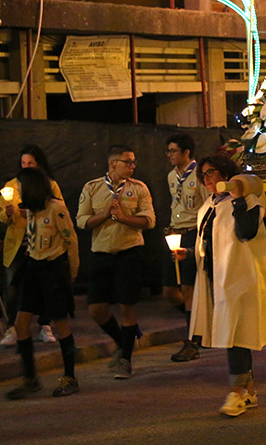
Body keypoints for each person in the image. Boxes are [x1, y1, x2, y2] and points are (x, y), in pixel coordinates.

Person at [177, 154, 266, 417]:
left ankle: (236, 393)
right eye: (203, 175)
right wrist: (189, 254)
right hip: (216, 278)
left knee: (235, 333)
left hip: (241, 277)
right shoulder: (208, 206)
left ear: (226, 173)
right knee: (235, 333)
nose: (207, 179)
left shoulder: (250, 199)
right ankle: (248, 391)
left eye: (211, 172)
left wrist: (237, 196)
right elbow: (212, 242)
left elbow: (246, 231)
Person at [76, 144, 156, 380]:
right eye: (127, 162)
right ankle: (124, 341)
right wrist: (103, 215)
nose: (132, 166)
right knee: (96, 309)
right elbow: (81, 220)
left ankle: (125, 360)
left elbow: (149, 220)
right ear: (113, 164)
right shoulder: (92, 187)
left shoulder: (139, 188)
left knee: (126, 308)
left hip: (128, 253)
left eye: (133, 162)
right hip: (101, 254)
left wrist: (123, 218)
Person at [5, 168, 80, 400]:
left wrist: (72, 273)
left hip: (53, 270)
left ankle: (70, 378)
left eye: (21, 186)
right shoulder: (30, 211)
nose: (18, 191)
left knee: (60, 323)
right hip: (33, 267)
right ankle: (30, 379)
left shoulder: (56, 208)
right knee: (21, 323)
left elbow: (71, 241)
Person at [0, 145, 63, 346]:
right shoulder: (12, 185)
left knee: (44, 286)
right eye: (23, 163)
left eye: (30, 163)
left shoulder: (49, 185)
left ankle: (45, 325)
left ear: (39, 164)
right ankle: (12, 329)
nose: (26, 167)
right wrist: (8, 213)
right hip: (18, 244)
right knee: (13, 287)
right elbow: (2, 216)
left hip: (42, 243)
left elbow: (60, 210)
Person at [164, 134, 210, 363]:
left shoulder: (200, 175)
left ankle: (192, 341)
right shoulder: (172, 176)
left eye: (174, 151)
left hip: (192, 233)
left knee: (189, 288)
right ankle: (200, 322)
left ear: (186, 152)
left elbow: (208, 205)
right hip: (175, 232)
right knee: (170, 290)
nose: (170, 155)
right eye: (168, 151)